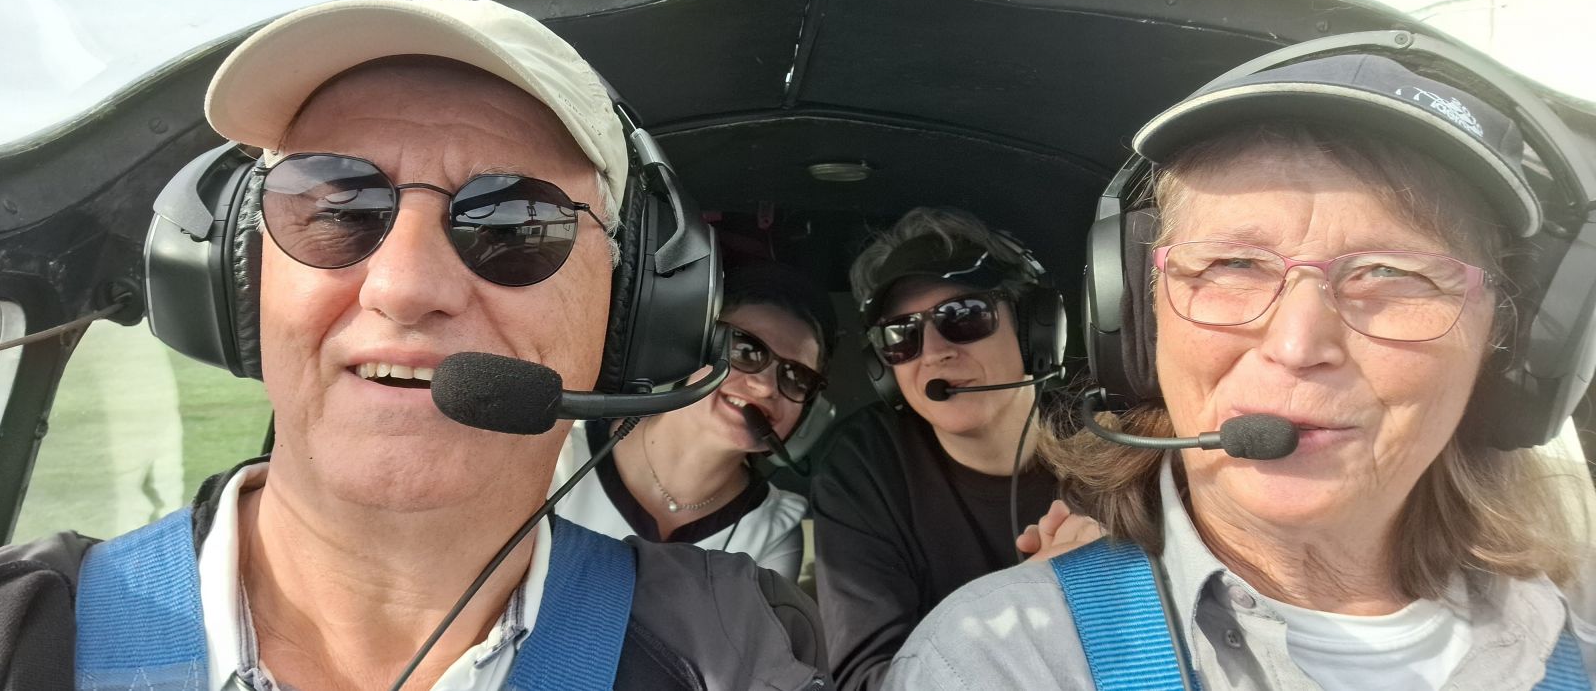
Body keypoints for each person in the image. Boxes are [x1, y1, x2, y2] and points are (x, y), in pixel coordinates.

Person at [0, 0, 827, 691]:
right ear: (238, 276)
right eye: (336, 206)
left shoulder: (734, 648)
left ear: (634, 307)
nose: (402, 285)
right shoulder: (19, 630)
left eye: (513, 221)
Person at [886, 50, 1595, 689]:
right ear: (1136, 318)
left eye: (1390, 272)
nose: (1295, 343)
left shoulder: (1577, 645)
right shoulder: (995, 665)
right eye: (1231, 264)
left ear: (1510, 343)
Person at [810, 207, 1092, 690]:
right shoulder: (864, 467)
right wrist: (1027, 596)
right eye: (902, 335)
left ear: (1035, 326)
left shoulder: (1111, 444)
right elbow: (867, 681)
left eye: (964, 315)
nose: (935, 351)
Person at [554, 263, 834, 580]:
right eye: (746, 350)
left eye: (797, 377)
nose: (766, 387)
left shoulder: (774, 530)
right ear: (688, 349)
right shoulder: (558, 457)